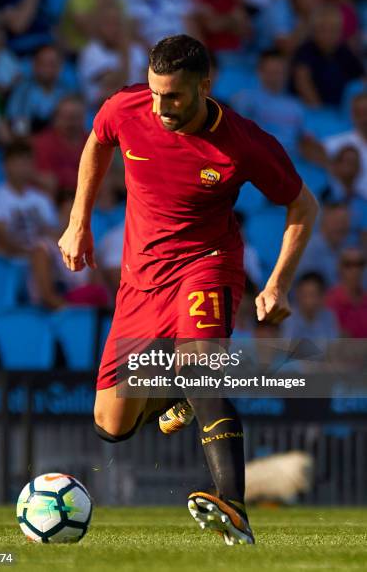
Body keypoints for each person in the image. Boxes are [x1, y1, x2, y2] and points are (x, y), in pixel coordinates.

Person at [58, 35, 318, 545]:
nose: (161, 107)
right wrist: (78, 221)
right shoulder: (127, 107)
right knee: (111, 426)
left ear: (205, 85)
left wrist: (278, 283)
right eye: (156, 94)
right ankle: (173, 390)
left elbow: (303, 205)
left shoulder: (242, 142)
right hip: (140, 280)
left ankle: (235, 510)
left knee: (201, 370)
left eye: (173, 96)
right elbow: (97, 140)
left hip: (208, 264)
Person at [30, 190, 109, 310]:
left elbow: (98, 289)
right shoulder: (43, 249)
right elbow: (47, 296)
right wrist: (74, 315)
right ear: (58, 212)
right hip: (55, 315)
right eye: (70, 215)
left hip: (83, 313)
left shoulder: (88, 248)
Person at [0, 141, 58, 257]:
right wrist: (29, 254)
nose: (24, 167)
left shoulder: (41, 198)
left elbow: (51, 232)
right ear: (6, 165)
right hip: (14, 259)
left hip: (44, 256)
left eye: (27, 162)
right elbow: (1, 237)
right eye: (19, 162)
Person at [78, 2, 147, 111]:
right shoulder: (91, 52)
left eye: (117, 23)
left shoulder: (136, 50)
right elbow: (113, 87)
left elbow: (146, 86)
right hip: (101, 112)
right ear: (99, 27)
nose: (113, 28)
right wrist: (124, 53)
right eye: (108, 23)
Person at [290, 6, 364, 108]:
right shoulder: (305, 51)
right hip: (312, 111)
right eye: (323, 29)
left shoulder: (344, 51)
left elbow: (361, 78)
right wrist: (321, 112)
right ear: (314, 31)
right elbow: (302, 82)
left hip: (341, 110)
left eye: (333, 30)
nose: (328, 35)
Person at [6, 44, 71, 136]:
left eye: (52, 64)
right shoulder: (23, 90)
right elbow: (18, 127)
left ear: (60, 67)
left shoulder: (66, 92)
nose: (48, 69)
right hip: (30, 141)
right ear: (34, 65)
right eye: (43, 63)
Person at [33, 95, 88, 197]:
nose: (72, 123)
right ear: (56, 117)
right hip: (56, 199)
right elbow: (47, 180)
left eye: (76, 117)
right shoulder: (43, 143)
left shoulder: (93, 143)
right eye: (68, 117)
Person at [323, 93, 367, 199]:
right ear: (352, 114)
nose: (365, 118)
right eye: (360, 113)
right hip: (346, 207)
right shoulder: (332, 144)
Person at [296, 202, 350, 286]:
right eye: (336, 222)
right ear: (323, 222)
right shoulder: (309, 249)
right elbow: (308, 289)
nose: (340, 227)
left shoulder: (348, 248)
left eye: (344, 222)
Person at [281, 272, 339, 338]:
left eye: (312, 295)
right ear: (297, 294)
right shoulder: (288, 318)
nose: (308, 300)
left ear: (322, 296)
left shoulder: (329, 317)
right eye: (304, 295)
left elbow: (333, 345)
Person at [326, 247, 367, 337]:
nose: (355, 270)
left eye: (359, 264)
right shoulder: (329, 302)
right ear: (339, 267)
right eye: (348, 264)